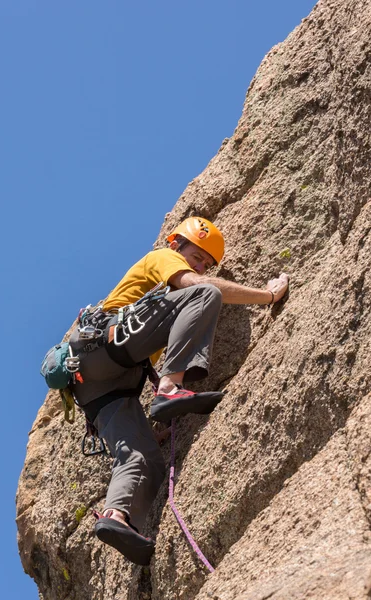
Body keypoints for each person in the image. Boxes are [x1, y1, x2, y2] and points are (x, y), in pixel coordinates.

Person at [69, 216, 289, 566]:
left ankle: (116, 519)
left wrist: (150, 427)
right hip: (107, 346)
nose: (200, 265)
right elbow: (199, 287)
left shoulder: (159, 308)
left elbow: (161, 342)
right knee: (204, 293)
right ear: (176, 244)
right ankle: (172, 388)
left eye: (206, 262)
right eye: (197, 255)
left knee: (142, 459)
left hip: (100, 383)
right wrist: (268, 295)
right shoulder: (161, 257)